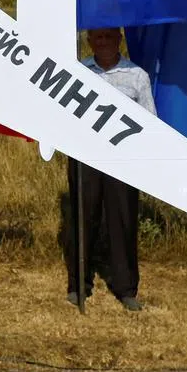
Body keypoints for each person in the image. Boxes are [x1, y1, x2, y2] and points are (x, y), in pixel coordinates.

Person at [66, 28, 155, 312]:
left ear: (119, 40)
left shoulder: (137, 75)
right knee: (83, 219)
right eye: (97, 38)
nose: (102, 42)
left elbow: (149, 121)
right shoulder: (77, 71)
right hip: (84, 156)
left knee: (123, 221)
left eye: (108, 37)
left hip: (123, 161)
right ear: (89, 41)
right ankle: (79, 285)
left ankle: (126, 288)